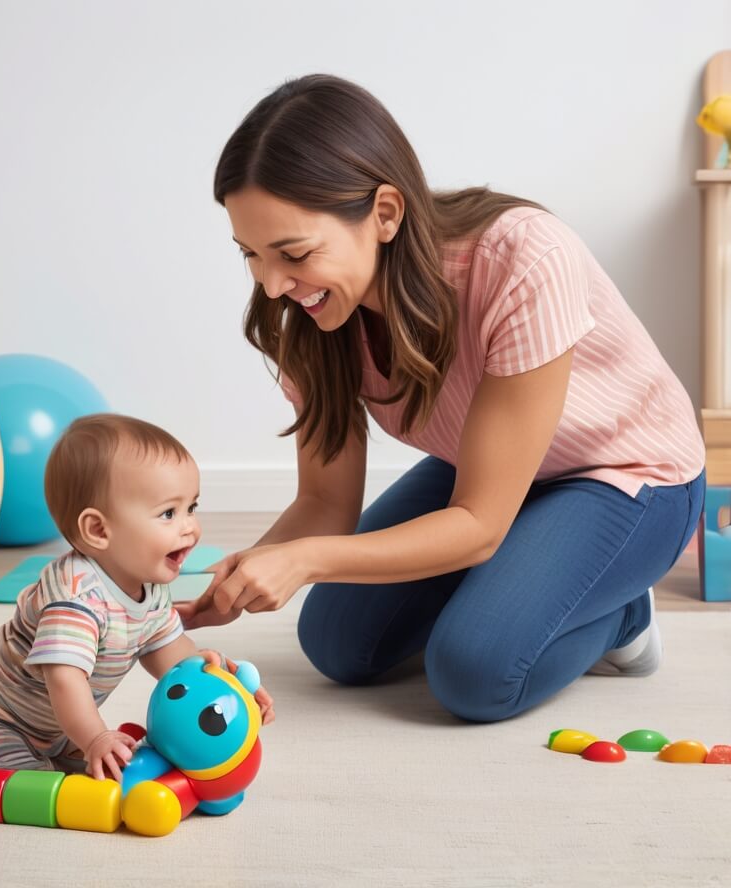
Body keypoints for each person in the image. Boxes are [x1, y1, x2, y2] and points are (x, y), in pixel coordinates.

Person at [176, 74, 706, 723]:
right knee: (337, 644)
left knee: (473, 672)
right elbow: (323, 503)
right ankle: (529, 574)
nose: (274, 283)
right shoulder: (315, 316)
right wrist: (237, 576)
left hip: (630, 479)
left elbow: (480, 524)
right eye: (251, 254)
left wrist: (306, 560)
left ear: (385, 214)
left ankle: (623, 611)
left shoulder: (521, 259)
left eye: (294, 253)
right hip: (494, 477)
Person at [0, 413, 274, 780]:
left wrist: (223, 682)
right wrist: (95, 737)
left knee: (118, 765)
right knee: (29, 775)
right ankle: (32, 774)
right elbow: (65, 680)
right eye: (169, 513)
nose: (191, 527)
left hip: (54, 727)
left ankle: (70, 746)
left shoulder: (147, 582)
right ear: (99, 530)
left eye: (191, 508)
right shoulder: (75, 600)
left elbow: (165, 649)